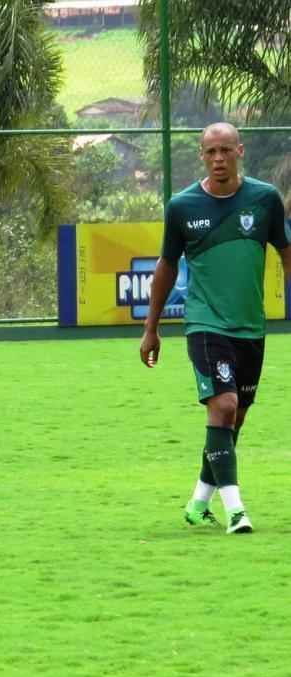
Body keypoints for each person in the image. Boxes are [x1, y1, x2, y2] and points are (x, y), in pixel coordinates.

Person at [140, 122, 291, 534]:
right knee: (222, 407)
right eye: (211, 152)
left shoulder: (264, 199)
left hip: (250, 327)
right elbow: (167, 266)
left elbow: (286, 250)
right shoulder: (182, 207)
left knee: (234, 421)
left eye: (226, 150)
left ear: (240, 151)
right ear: (202, 156)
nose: (219, 158)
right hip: (205, 323)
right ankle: (236, 511)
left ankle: (198, 502)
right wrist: (151, 328)